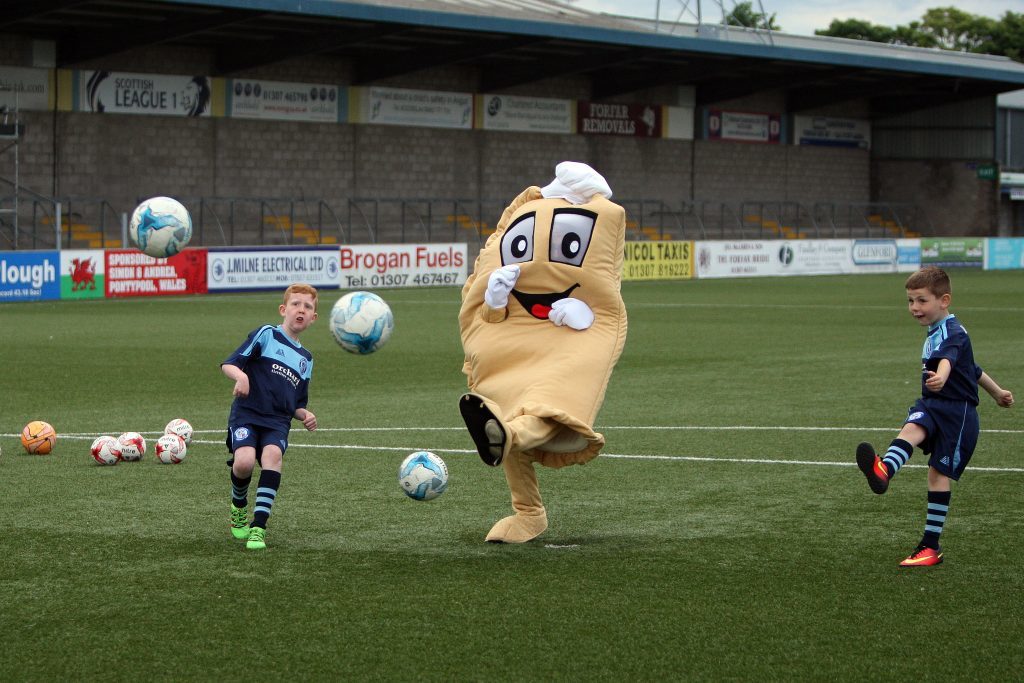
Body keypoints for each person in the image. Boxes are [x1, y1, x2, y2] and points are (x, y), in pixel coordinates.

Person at [857, 266, 1013, 566]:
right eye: (910, 301)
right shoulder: (937, 331)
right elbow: (973, 368)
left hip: (958, 413)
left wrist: (941, 376)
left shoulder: (953, 332)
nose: (914, 307)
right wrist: (997, 392)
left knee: (937, 474)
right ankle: (883, 471)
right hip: (934, 403)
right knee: (912, 427)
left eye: (921, 300)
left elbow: (949, 360)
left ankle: (930, 546)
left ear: (944, 300)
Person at [222, 283, 319, 550]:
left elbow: (296, 404)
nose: (301, 310)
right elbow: (230, 363)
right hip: (247, 412)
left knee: (272, 457)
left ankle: (258, 527)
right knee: (242, 463)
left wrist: (306, 414)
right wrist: (241, 376)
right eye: (296, 304)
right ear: (283, 309)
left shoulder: (306, 359)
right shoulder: (267, 334)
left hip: (277, 421)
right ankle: (238, 505)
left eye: (307, 307)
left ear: (313, 318)